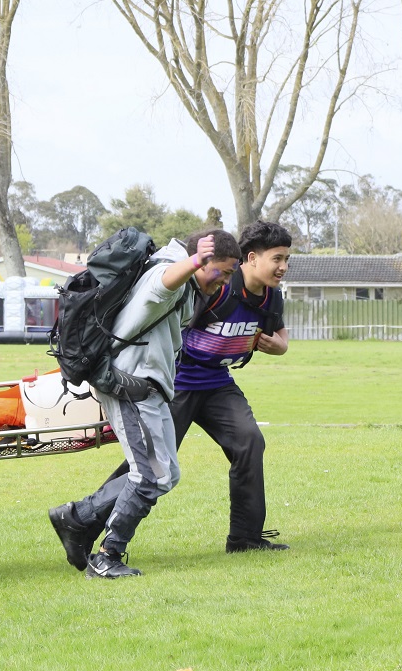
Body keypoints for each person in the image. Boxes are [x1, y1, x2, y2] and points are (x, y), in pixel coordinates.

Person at [47, 229, 240, 579]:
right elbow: (163, 284)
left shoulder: (181, 281)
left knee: (167, 475)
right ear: (202, 260)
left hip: (150, 387)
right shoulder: (168, 276)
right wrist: (195, 262)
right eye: (223, 272)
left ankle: (77, 518)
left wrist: (199, 266)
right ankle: (106, 557)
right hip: (129, 384)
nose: (224, 282)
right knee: (150, 475)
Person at [169, 220, 293, 552]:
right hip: (176, 384)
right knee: (152, 463)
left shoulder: (271, 298)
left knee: (249, 442)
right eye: (277, 259)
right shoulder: (218, 282)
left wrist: (281, 346)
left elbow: (281, 336)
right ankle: (82, 519)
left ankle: (245, 538)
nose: (283, 267)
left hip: (218, 384)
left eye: (286, 260)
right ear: (251, 258)